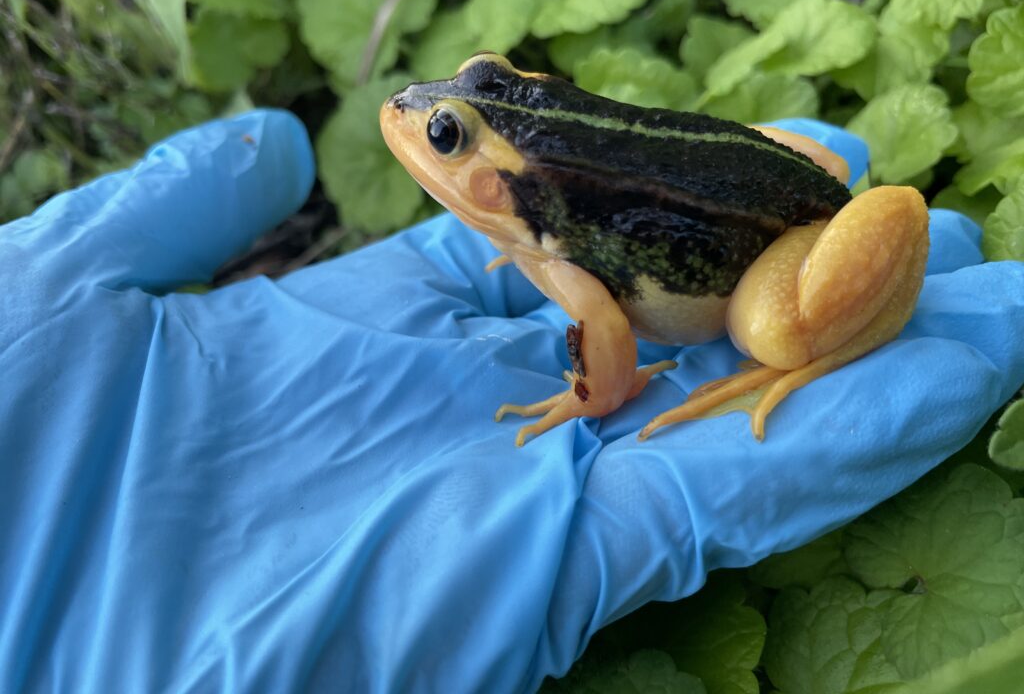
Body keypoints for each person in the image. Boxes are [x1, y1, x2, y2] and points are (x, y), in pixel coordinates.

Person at [0, 110, 1021, 692]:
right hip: (769, 191)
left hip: (767, 258)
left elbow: (605, 348)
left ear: (502, 180)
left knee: (773, 332)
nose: (414, 121)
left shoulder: (552, 237)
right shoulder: (535, 220)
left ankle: (797, 353)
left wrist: (589, 399)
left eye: (450, 133)